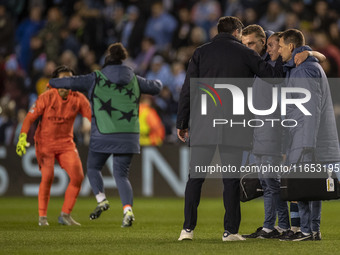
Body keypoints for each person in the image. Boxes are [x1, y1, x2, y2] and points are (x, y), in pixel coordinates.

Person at [177, 16, 285, 242]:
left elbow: (187, 90)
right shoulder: (246, 53)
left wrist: (182, 123)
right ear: (237, 32)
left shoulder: (200, 52)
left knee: (195, 179)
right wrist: (286, 59)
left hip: (203, 125)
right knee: (231, 180)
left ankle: (187, 230)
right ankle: (230, 232)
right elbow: (273, 78)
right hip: (233, 126)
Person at [49, 43, 162, 227]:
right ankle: (127, 210)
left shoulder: (95, 78)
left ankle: (101, 199)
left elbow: (67, 82)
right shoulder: (134, 78)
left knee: (93, 168)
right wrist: (150, 82)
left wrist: (52, 82)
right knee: (121, 175)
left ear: (106, 62)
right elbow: (156, 87)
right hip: (128, 136)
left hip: (103, 134)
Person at [277, 29, 340, 241]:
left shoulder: (304, 71)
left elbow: (309, 111)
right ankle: (313, 230)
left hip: (304, 138)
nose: (278, 50)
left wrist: (306, 143)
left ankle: (306, 230)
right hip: (304, 136)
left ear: (291, 47)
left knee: (302, 185)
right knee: (310, 186)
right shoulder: (304, 67)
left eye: (281, 46)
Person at [16, 66, 91, 226]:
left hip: (66, 144)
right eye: (62, 81)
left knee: (78, 177)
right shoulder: (46, 97)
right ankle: (42, 217)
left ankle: (65, 215)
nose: (65, 85)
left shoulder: (78, 97)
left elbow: (89, 114)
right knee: (48, 176)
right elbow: (29, 118)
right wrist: (22, 137)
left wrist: (87, 123)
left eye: (69, 81)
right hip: (45, 143)